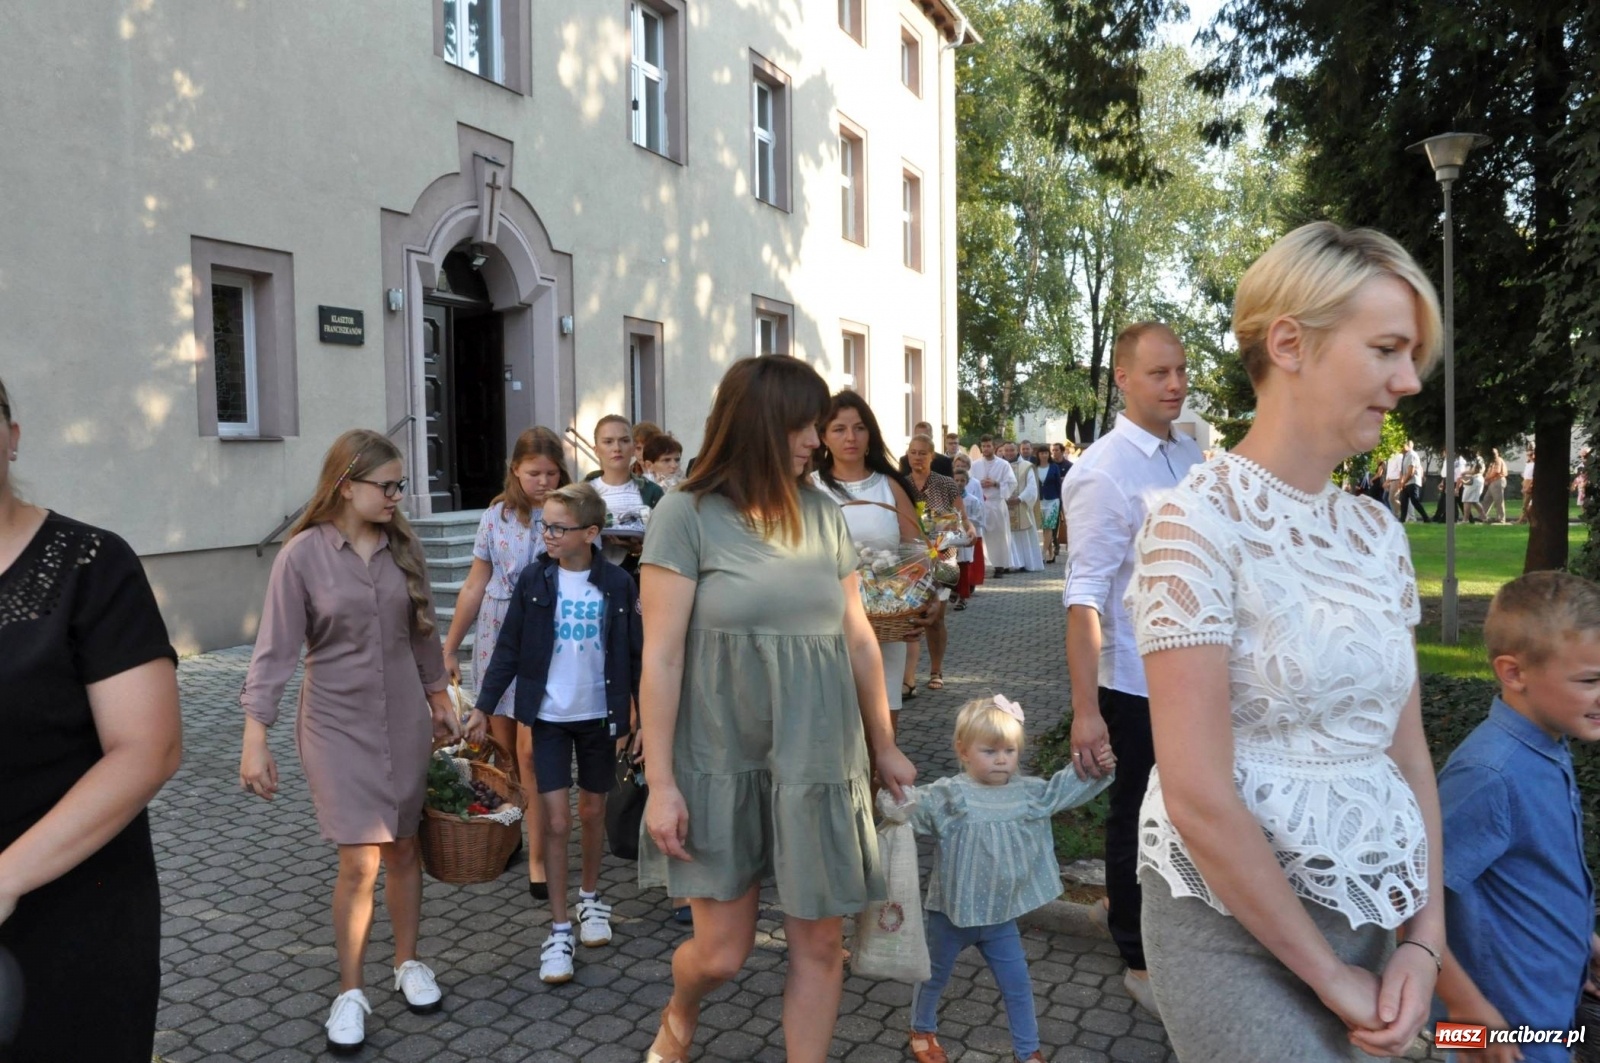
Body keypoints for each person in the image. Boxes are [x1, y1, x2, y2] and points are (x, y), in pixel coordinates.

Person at [1129, 222, 1446, 1060]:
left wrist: (1425, 936)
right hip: (1231, 934)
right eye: (1386, 348)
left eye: (1412, 354)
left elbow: (1406, 750)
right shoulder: (1191, 527)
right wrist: (1328, 976)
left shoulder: (1378, 532)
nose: (1409, 380)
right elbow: (1197, 791)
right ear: (1289, 343)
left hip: (1379, 913)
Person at [638, 355, 917, 1063]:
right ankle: (681, 1007)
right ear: (761, 424)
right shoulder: (685, 514)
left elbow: (857, 638)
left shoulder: (824, 513)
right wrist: (661, 782)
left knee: (821, 945)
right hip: (720, 756)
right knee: (722, 954)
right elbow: (661, 658)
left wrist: (883, 744)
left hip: (819, 754)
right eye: (805, 425)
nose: (818, 441)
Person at [239, 429, 488, 1054]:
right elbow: (274, 651)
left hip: (403, 715)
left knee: (404, 848)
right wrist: (254, 735)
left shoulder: (404, 547)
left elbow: (424, 632)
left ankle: (408, 963)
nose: (398, 497)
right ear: (345, 485)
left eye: (401, 485)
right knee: (359, 860)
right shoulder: (300, 557)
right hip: (334, 723)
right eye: (388, 486)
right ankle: (350, 992)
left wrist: (439, 700)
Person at [0, 376, 183, 1063]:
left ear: (12, 436)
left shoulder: (90, 565)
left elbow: (149, 748)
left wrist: (5, 878)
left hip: (73, 915)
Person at [1060, 321, 1203, 1017]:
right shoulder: (1103, 470)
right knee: (1136, 811)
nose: (1175, 384)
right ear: (1123, 378)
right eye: (1159, 373)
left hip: (1195, 672)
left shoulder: (1190, 451)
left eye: (1180, 370)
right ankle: (1135, 948)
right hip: (1135, 681)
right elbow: (1083, 596)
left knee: (1186, 807)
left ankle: (1166, 922)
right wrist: (1086, 709)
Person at [473, 483, 642, 984]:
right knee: (555, 822)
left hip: (598, 717)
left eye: (558, 527)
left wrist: (640, 719)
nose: (547, 534)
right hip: (545, 719)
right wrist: (484, 707)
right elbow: (508, 649)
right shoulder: (533, 581)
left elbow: (635, 655)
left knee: (591, 813)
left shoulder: (616, 584)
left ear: (590, 533)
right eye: (545, 524)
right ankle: (560, 927)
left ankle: (591, 900)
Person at [1434, 572, 1600, 1063]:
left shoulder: (1547, 743)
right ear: (1514, 673)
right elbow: (1409, 906)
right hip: (1495, 1040)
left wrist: (1579, 940)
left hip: (1549, 1025)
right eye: (1590, 681)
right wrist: (1468, 1017)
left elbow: (1532, 873)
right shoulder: (1489, 775)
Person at [896, 696, 1114, 1063]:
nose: (1002, 759)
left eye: (1010, 750)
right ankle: (922, 1027)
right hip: (951, 915)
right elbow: (907, 807)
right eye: (990, 750)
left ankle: (1027, 1051)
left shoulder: (1028, 793)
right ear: (963, 752)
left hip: (1000, 917)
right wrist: (889, 788)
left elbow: (1064, 787)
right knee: (932, 976)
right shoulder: (950, 796)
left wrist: (1099, 766)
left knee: (1018, 986)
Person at [440, 426, 568, 899]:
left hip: (543, 635)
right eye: (534, 472)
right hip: (496, 635)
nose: (543, 480)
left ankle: (539, 858)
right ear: (515, 469)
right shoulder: (496, 516)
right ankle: (510, 831)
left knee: (533, 754)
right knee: (504, 750)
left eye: (552, 472)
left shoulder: (563, 514)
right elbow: (476, 583)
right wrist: (450, 647)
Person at [815, 392, 926, 706]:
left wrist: (923, 601)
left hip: (885, 625)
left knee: (882, 728)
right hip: (824, 630)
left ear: (870, 434)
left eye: (860, 428)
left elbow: (917, 553)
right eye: (839, 429)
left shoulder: (890, 487)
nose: (850, 437)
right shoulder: (809, 490)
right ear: (822, 436)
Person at [904, 433, 967, 691]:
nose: (917, 457)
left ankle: (935, 670)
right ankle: (907, 678)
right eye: (912, 452)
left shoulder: (945, 484)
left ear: (932, 455)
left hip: (942, 556)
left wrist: (963, 529)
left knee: (936, 618)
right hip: (911, 557)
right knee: (908, 617)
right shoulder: (901, 483)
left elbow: (961, 518)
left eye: (922, 453)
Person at [587, 415, 665, 570]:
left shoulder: (652, 492)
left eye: (624, 440)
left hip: (640, 579)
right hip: (590, 578)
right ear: (596, 450)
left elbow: (666, 543)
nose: (617, 448)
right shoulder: (584, 492)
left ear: (634, 447)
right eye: (608, 442)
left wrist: (637, 550)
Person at [971, 436, 1016, 577]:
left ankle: (999, 566)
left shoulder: (1003, 465)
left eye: (988, 446)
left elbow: (1012, 483)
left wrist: (996, 483)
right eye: (983, 446)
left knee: (999, 536)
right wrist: (980, 483)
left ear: (994, 447)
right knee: (981, 536)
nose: (985, 449)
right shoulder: (975, 465)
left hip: (996, 504)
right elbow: (970, 482)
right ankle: (981, 566)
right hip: (981, 505)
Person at [1004, 442, 1044, 572]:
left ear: (1017, 451)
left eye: (1012, 450)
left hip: (1021, 506)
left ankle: (1027, 563)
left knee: (1023, 535)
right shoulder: (1001, 466)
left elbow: (1032, 486)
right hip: (1004, 506)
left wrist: (1020, 498)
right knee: (1007, 536)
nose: (1009, 453)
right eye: (1007, 450)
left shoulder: (1027, 466)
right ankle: (1011, 564)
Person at [951, 463, 979, 610]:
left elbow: (977, 517)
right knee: (951, 566)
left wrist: (969, 528)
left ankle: (963, 597)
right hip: (951, 536)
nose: (959, 483)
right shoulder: (948, 499)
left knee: (964, 567)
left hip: (966, 535)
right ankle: (953, 591)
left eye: (962, 480)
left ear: (967, 482)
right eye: (956, 480)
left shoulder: (972, 500)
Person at [1039, 442, 1071, 563]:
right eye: (1042, 453)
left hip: (1054, 499)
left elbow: (1059, 485)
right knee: (1045, 528)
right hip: (1041, 500)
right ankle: (1051, 553)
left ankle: (1042, 553)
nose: (1046, 455)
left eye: (1046, 453)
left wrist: (1060, 500)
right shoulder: (1035, 467)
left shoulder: (1055, 467)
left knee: (1051, 526)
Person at [1397, 440, 1425, 523]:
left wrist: (1403, 482)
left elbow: (1411, 472)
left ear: (1407, 446)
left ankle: (1426, 517)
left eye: (1402, 446)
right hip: (1407, 482)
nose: (1400, 448)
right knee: (1403, 501)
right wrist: (1402, 482)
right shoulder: (1405, 456)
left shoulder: (1412, 455)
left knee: (1415, 501)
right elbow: (1404, 471)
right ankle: (1402, 520)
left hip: (1412, 482)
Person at [1483, 448, 1509, 523]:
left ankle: (1501, 519)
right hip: (1493, 482)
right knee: (1486, 499)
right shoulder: (1492, 461)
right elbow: (1490, 471)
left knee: (1498, 501)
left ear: (1497, 453)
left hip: (1498, 481)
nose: (1493, 455)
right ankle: (1483, 516)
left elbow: (1496, 471)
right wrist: (1487, 479)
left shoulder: (1498, 460)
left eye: (1494, 453)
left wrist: (1486, 478)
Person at [1461, 456, 1485, 523]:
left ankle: (1465, 520)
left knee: (1467, 500)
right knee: (1474, 501)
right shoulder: (1478, 459)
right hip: (1475, 480)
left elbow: (1476, 470)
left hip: (1474, 480)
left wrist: (1464, 472)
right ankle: (1484, 518)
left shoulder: (1477, 459)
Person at [1517, 449, 1535, 526]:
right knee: (1525, 504)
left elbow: (1533, 477)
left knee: (1526, 504)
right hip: (1525, 483)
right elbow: (1526, 476)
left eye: (1531, 455)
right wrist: (1523, 485)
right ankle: (1525, 520)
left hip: (1530, 484)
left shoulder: (1535, 464)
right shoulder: (1528, 464)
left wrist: (1529, 486)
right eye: (1528, 455)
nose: (1529, 457)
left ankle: (1521, 520)